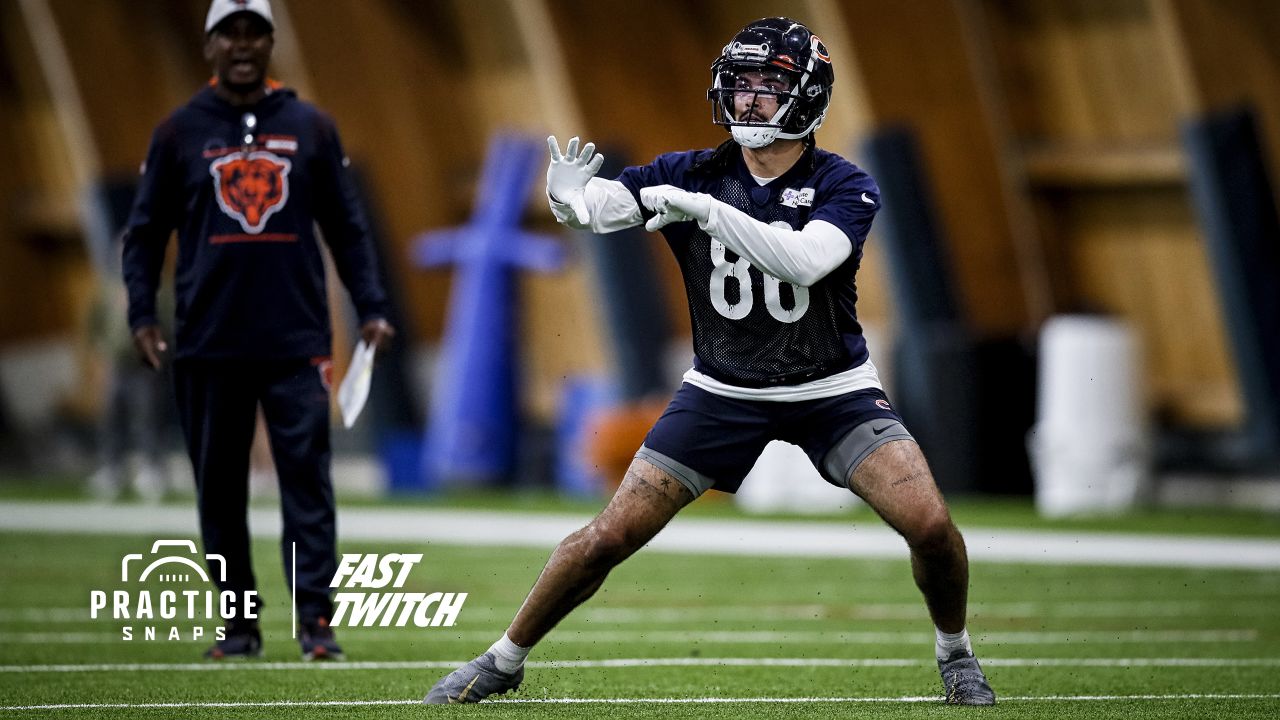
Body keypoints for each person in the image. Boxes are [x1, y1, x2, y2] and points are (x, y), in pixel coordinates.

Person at [425, 17, 995, 705]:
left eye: (769, 85)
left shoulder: (843, 183)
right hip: (722, 390)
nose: (750, 98)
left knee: (931, 525)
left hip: (832, 389)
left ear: (807, 97)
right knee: (611, 534)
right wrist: (565, 196)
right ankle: (503, 658)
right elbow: (605, 207)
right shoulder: (692, 169)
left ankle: (956, 654)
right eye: (743, 83)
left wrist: (706, 211)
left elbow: (808, 261)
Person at [123, 0, 395, 661]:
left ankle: (316, 625)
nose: (243, 44)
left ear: (271, 41)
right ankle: (239, 626)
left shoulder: (312, 128)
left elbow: (348, 228)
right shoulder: (177, 132)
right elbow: (143, 234)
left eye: (255, 32)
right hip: (208, 343)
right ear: (210, 43)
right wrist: (140, 314)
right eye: (230, 33)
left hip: (296, 342)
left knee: (307, 483)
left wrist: (371, 306)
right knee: (219, 491)